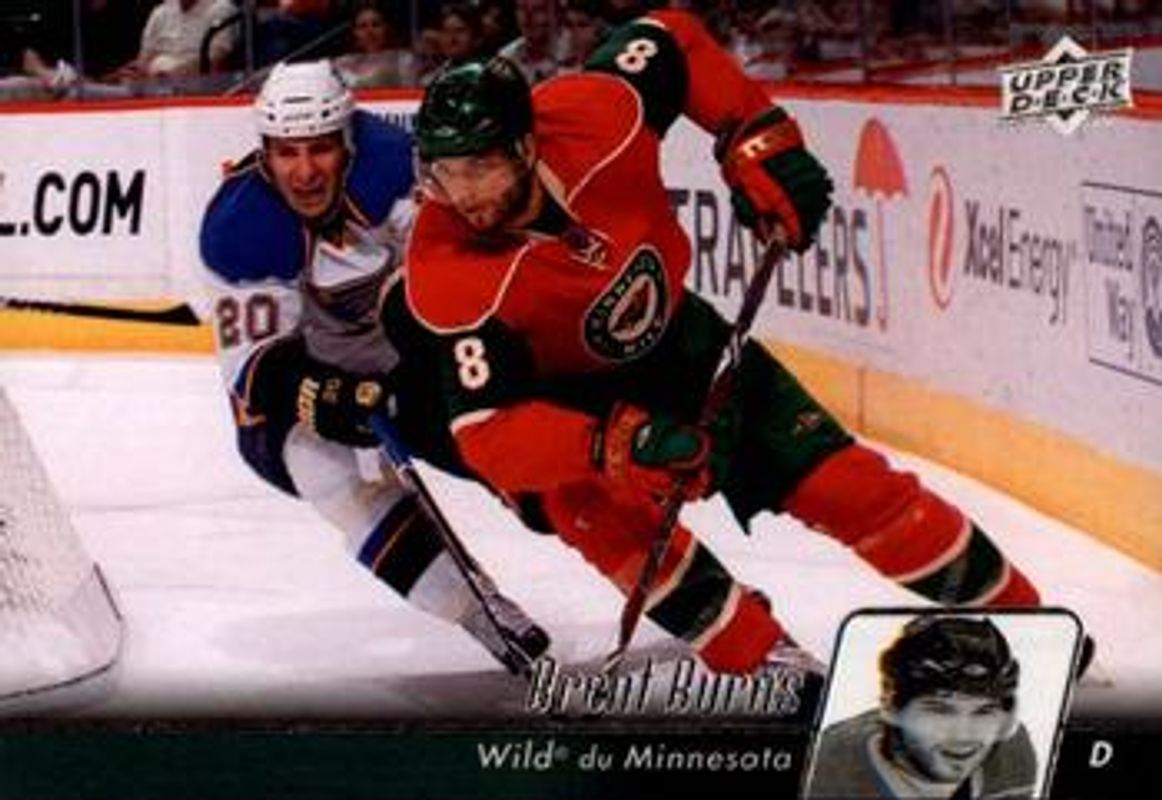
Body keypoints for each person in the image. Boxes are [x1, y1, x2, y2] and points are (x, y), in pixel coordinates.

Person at [403, 9, 1045, 678]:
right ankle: (765, 664)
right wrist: (615, 445)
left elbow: (671, 35)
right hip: (569, 406)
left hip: (684, 344)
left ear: (526, 146)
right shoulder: (446, 269)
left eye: (481, 166)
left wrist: (757, 139)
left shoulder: (596, 116)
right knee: (610, 522)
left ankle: (1026, 624)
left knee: (845, 486)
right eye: (447, 172)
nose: (464, 193)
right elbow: (489, 432)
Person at [198, 60, 549, 675]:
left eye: (319, 149)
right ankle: (477, 610)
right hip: (308, 364)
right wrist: (323, 393)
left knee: (515, 449)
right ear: (265, 152)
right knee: (322, 472)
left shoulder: (396, 163)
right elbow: (256, 367)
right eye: (286, 152)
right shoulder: (239, 226)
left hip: (402, 345)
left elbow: (457, 270)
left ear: (348, 141)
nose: (304, 172)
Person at [803, 615, 1037, 799]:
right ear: (890, 706)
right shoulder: (821, 775)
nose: (963, 735)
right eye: (940, 710)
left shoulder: (1011, 755)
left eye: (983, 711)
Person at [333, 0, 417, 87]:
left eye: (376, 25)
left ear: (386, 28)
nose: (369, 32)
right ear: (355, 32)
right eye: (362, 26)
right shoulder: (342, 63)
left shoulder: (404, 59)